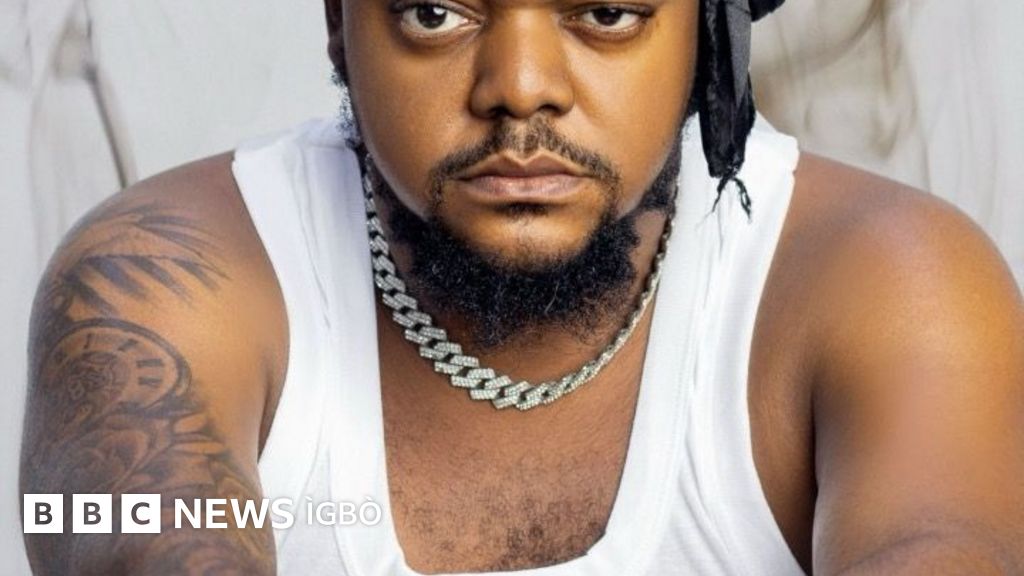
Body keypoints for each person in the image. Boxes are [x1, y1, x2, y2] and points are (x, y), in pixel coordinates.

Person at [19, 0, 1024, 574]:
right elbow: (122, 537)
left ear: (707, 28)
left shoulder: (890, 285)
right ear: (336, 23)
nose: (521, 85)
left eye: (606, 12)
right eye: (434, 11)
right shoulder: (161, 281)